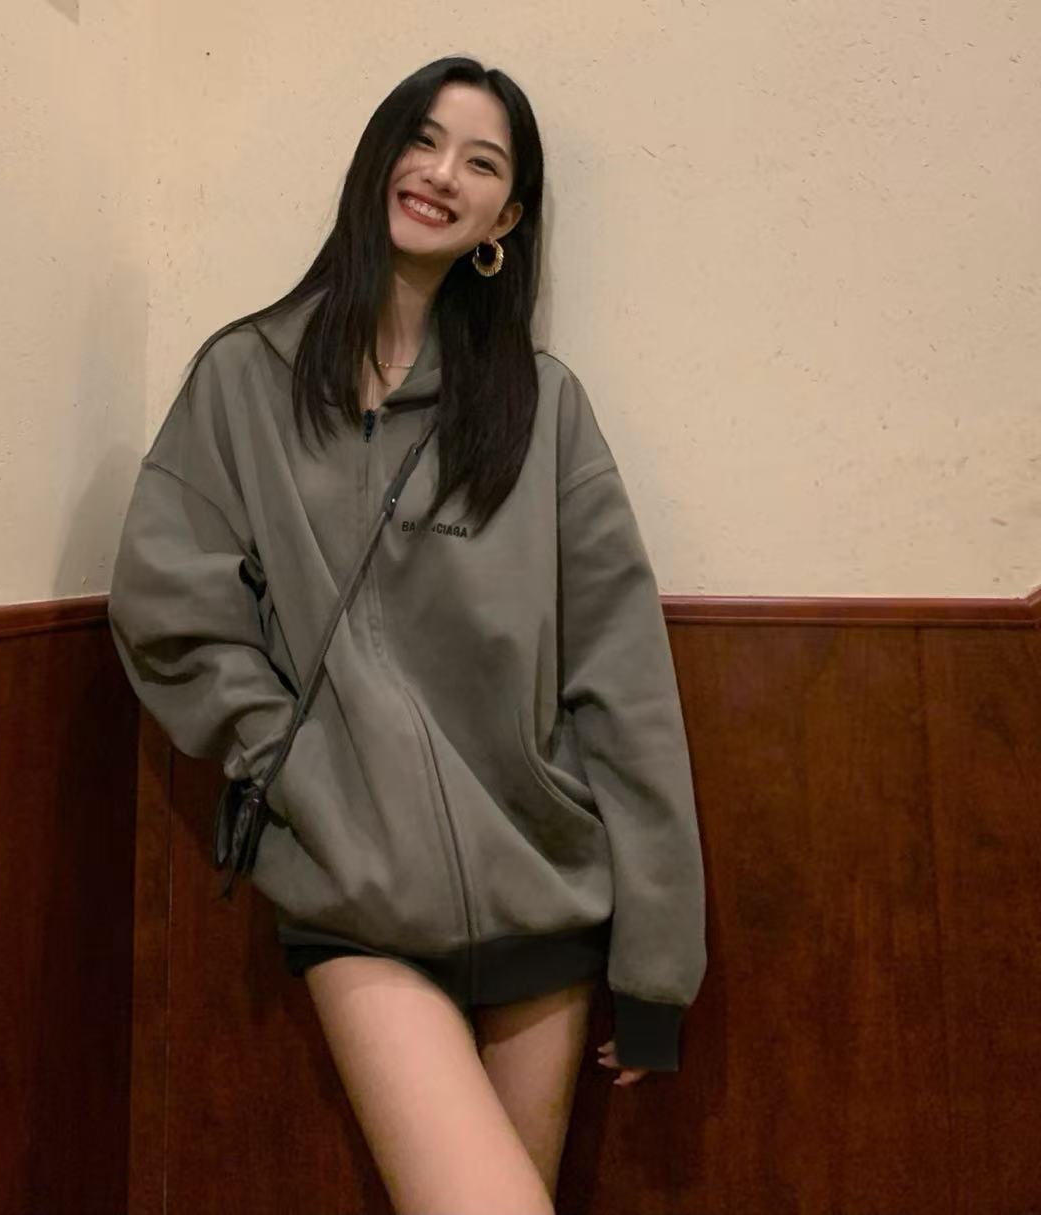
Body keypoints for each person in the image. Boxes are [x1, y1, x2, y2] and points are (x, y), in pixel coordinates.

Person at [107, 54, 706, 1215]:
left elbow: (622, 678)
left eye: (480, 163)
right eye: (422, 140)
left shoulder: (541, 408)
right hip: (358, 895)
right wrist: (289, 758)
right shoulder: (246, 379)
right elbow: (167, 605)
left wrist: (657, 964)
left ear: (505, 219)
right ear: (378, 155)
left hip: (543, 888)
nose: (440, 173)